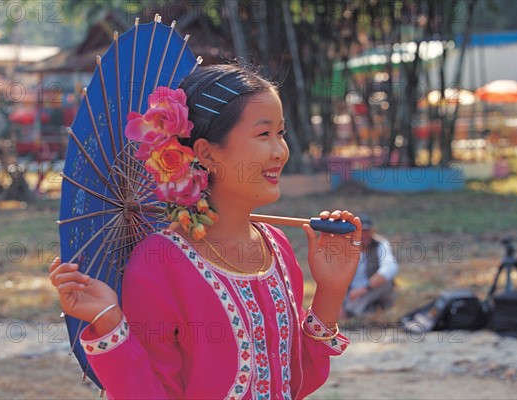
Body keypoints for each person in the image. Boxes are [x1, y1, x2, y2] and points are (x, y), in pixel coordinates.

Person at [49, 64, 362, 399]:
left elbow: (297, 381)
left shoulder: (279, 249)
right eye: (263, 134)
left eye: (281, 133)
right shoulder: (159, 263)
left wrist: (330, 289)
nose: (279, 152)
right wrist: (109, 321)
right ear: (206, 153)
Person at [342, 214, 399, 318]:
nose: (364, 235)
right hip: (350, 291)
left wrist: (366, 287)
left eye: (367, 231)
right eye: (361, 231)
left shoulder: (380, 245)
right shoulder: (346, 247)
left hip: (371, 288)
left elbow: (390, 267)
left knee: (385, 282)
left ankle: (356, 311)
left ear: (372, 231)